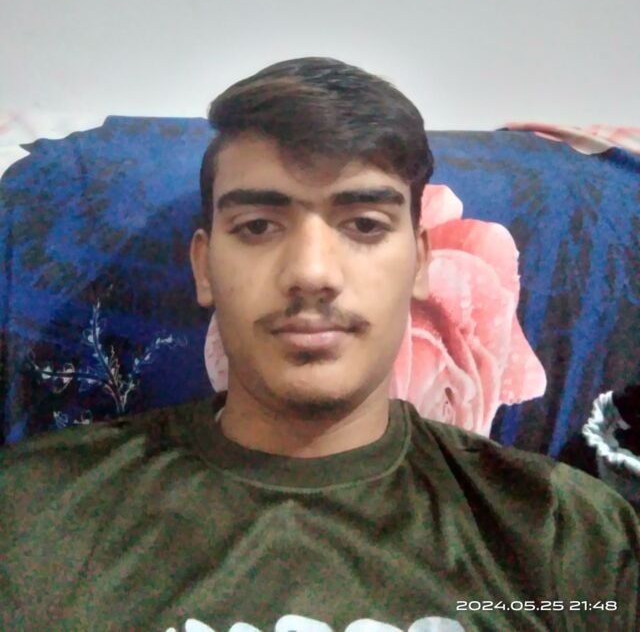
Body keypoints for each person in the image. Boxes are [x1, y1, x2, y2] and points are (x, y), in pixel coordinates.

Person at [0, 57, 638, 632]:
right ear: (203, 267)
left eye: (363, 224)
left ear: (421, 262)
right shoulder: (30, 514)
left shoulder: (567, 536)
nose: (311, 273)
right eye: (258, 226)